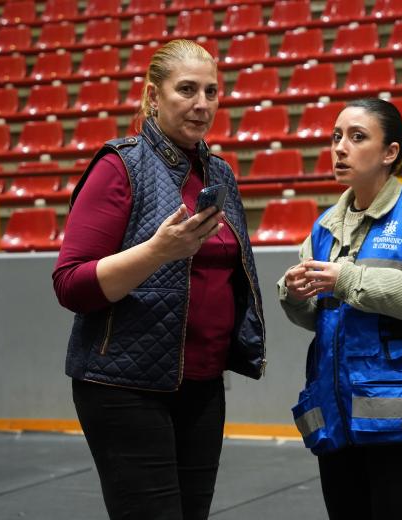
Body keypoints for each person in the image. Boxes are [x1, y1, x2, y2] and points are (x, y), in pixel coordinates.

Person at [52, 39, 265, 520]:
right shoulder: (119, 166)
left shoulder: (221, 174)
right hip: (124, 386)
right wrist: (156, 252)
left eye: (211, 91)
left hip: (202, 385)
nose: (202, 104)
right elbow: (70, 283)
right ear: (153, 95)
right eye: (186, 90)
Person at [278, 98, 402, 520]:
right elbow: (317, 317)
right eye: (336, 137)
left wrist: (347, 280)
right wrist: (295, 295)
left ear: (390, 153)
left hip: (401, 414)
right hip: (337, 410)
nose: (340, 148)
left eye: (357, 137)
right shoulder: (326, 224)